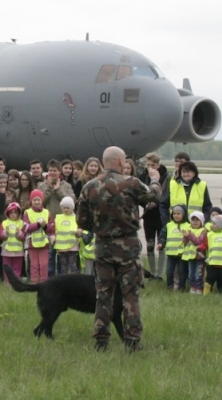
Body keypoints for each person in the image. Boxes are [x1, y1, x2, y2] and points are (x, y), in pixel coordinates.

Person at [76, 146, 161, 352]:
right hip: (128, 248)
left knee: (103, 294)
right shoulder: (130, 183)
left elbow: (82, 221)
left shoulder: (89, 186)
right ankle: (132, 340)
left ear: (104, 162)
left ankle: (101, 339)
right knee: (130, 294)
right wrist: (155, 179)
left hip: (103, 247)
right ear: (122, 162)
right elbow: (154, 197)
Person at [138, 152, 169, 280]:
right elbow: (139, 194)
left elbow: (166, 194)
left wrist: (156, 203)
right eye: (148, 164)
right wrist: (146, 204)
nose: (150, 167)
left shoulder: (166, 176)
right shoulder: (143, 176)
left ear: (158, 165)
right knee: (150, 244)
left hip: (161, 215)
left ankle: (160, 274)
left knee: (161, 245)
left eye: (153, 165)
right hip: (148, 215)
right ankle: (153, 272)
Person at [23, 189, 51, 283]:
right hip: (32, 243)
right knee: (34, 264)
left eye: (39, 199)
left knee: (44, 264)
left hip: (44, 243)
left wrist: (45, 226)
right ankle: (34, 282)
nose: (37, 202)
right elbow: (26, 228)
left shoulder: (47, 212)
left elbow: (51, 228)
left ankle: (44, 282)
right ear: (31, 201)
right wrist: (38, 225)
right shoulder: (27, 212)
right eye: (34, 200)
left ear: (42, 200)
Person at [0, 202, 25, 285]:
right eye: (11, 212)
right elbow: (0, 235)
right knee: (7, 268)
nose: (13, 214)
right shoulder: (4, 223)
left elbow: (24, 236)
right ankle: (7, 283)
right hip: (6, 251)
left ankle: (16, 283)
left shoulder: (21, 223)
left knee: (17, 268)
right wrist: (6, 232)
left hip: (18, 251)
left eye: (15, 212)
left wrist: (19, 233)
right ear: (8, 213)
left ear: (19, 213)